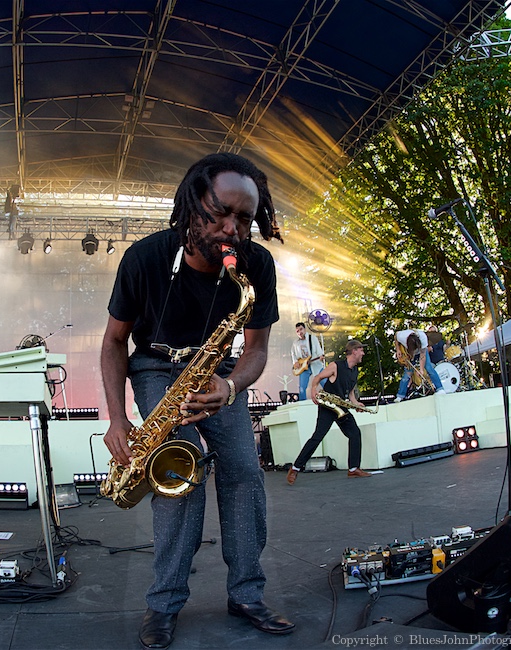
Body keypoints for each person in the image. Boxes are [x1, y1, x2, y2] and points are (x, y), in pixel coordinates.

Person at [101, 153, 294, 649]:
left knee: (245, 474)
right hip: (155, 366)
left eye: (244, 219)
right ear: (192, 205)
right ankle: (163, 603)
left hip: (217, 374)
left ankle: (247, 594)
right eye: (221, 212)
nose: (232, 229)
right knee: (181, 473)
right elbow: (114, 342)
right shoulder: (144, 258)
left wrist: (230, 387)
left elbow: (255, 351)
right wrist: (118, 419)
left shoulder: (254, 266)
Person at [286, 340, 372, 484]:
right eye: (361, 350)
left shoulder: (355, 371)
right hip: (327, 405)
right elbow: (317, 377)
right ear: (354, 351)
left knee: (355, 433)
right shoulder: (336, 366)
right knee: (318, 437)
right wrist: (313, 390)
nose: (363, 353)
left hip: (341, 407)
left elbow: (350, 394)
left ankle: (353, 469)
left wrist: (357, 404)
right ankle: (295, 468)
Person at [394, 328, 445, 402]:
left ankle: (440, 389)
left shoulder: (423, 337)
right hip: (409, 352)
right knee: (407, 373)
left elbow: (422, 356)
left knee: (429, 368)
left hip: (421, 351)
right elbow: (396, 336)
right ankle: (400, 396)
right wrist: (398, 349)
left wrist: (421, 370)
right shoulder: (402, 336)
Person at [291, 321, 325, 400]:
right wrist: (295, 362)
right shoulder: (295, 343)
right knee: (302, 388)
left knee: (324, 383)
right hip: (303, 367)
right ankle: (303, 404)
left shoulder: (312, 338)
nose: (300, 332)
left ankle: (332, 401)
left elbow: (319, 351)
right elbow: (293, 353)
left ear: (305, 329)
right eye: (297, 331)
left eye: (301, 329)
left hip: (315, 364)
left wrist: (320, 356)